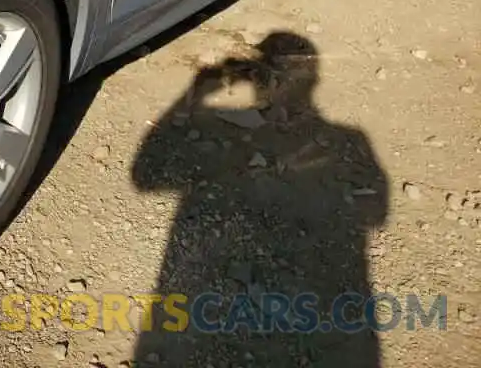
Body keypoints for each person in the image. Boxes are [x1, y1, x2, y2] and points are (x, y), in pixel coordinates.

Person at [131, 32, 388, 366]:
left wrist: (194, 96)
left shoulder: (349, 140)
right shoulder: (351, 141)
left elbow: (145, 177)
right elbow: (377, 213)